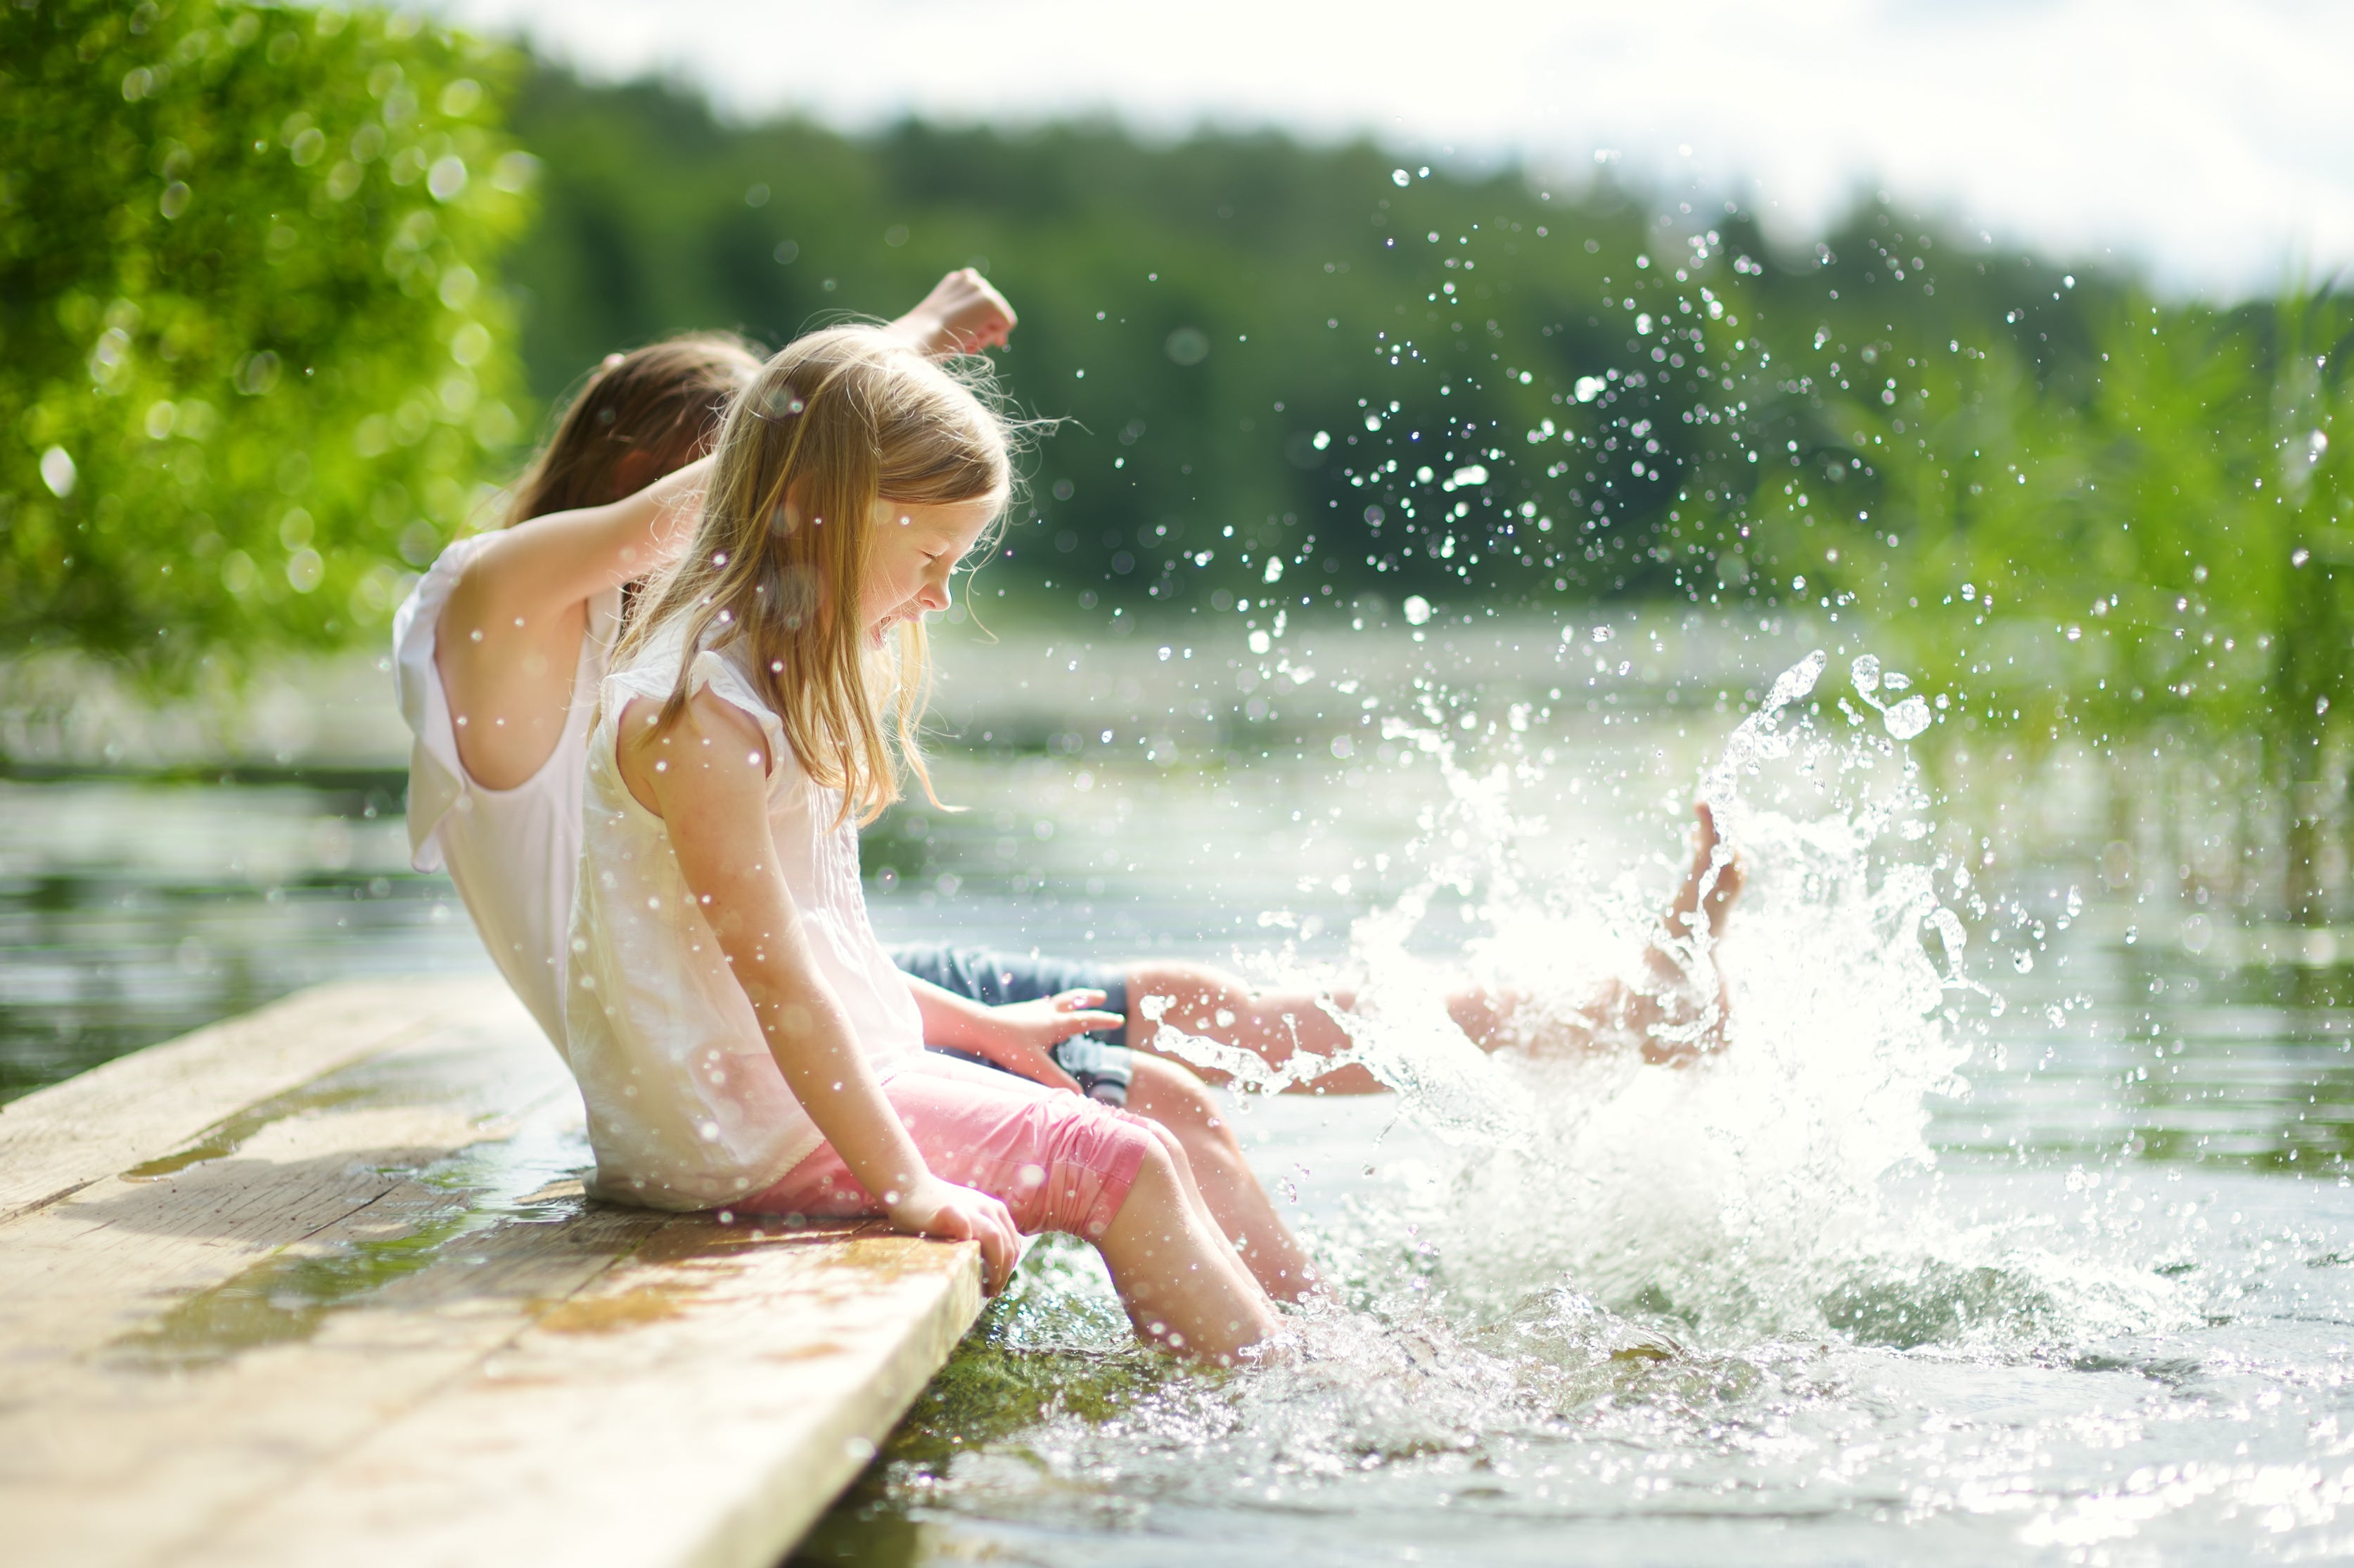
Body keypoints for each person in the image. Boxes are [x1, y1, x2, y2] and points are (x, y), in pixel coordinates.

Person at [394, 273, 1323, 1304]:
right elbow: (749, 488)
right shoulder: (515, 613)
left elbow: (799, 947)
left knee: (1179, 1074)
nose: (732, 512)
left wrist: (967, 1022)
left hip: (785, 1022)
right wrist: (904, 349)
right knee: (1147, 1131)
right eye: (745, 452)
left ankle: (1323, 1351)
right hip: (722, 1079)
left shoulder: (709, 667)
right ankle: (1300, 1385)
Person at [565, 325, 1278, 1362]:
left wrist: (978, 1024)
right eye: (931, 557)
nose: (942, 594)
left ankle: (1319, 1357)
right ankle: (1277, 1406)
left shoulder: (760, 685)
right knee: (1125, 1165)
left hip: (775, 1105)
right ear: (824, 518)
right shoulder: (701, 724)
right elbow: (782, 990)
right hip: (731, 1141)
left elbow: (826, 954)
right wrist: (911, 1187)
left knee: (1153, 1128)